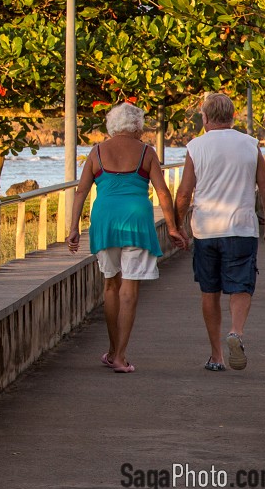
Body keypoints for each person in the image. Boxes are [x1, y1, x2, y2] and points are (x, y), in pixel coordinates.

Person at [66, 102, 185, 374]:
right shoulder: (147, 152)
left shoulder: (96, 152)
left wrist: (74, 227)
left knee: (110, 285)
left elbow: (81, 191)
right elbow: (163, 192)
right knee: (129, 287)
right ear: (137, 126)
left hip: (105, 220)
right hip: (137, 221)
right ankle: (120, 355)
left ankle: (111, 350)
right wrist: (173, 227)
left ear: (112, 125)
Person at [174, 91, 265, 372]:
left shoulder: (196, 147)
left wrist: (178, 225)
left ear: (205, 118)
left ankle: (216, 355)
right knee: (241, 285)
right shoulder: (250, 144)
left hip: (206, 229)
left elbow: (184, 192)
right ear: (233, 117)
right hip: (241, 228)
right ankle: (236, 331)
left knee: (210, 290)